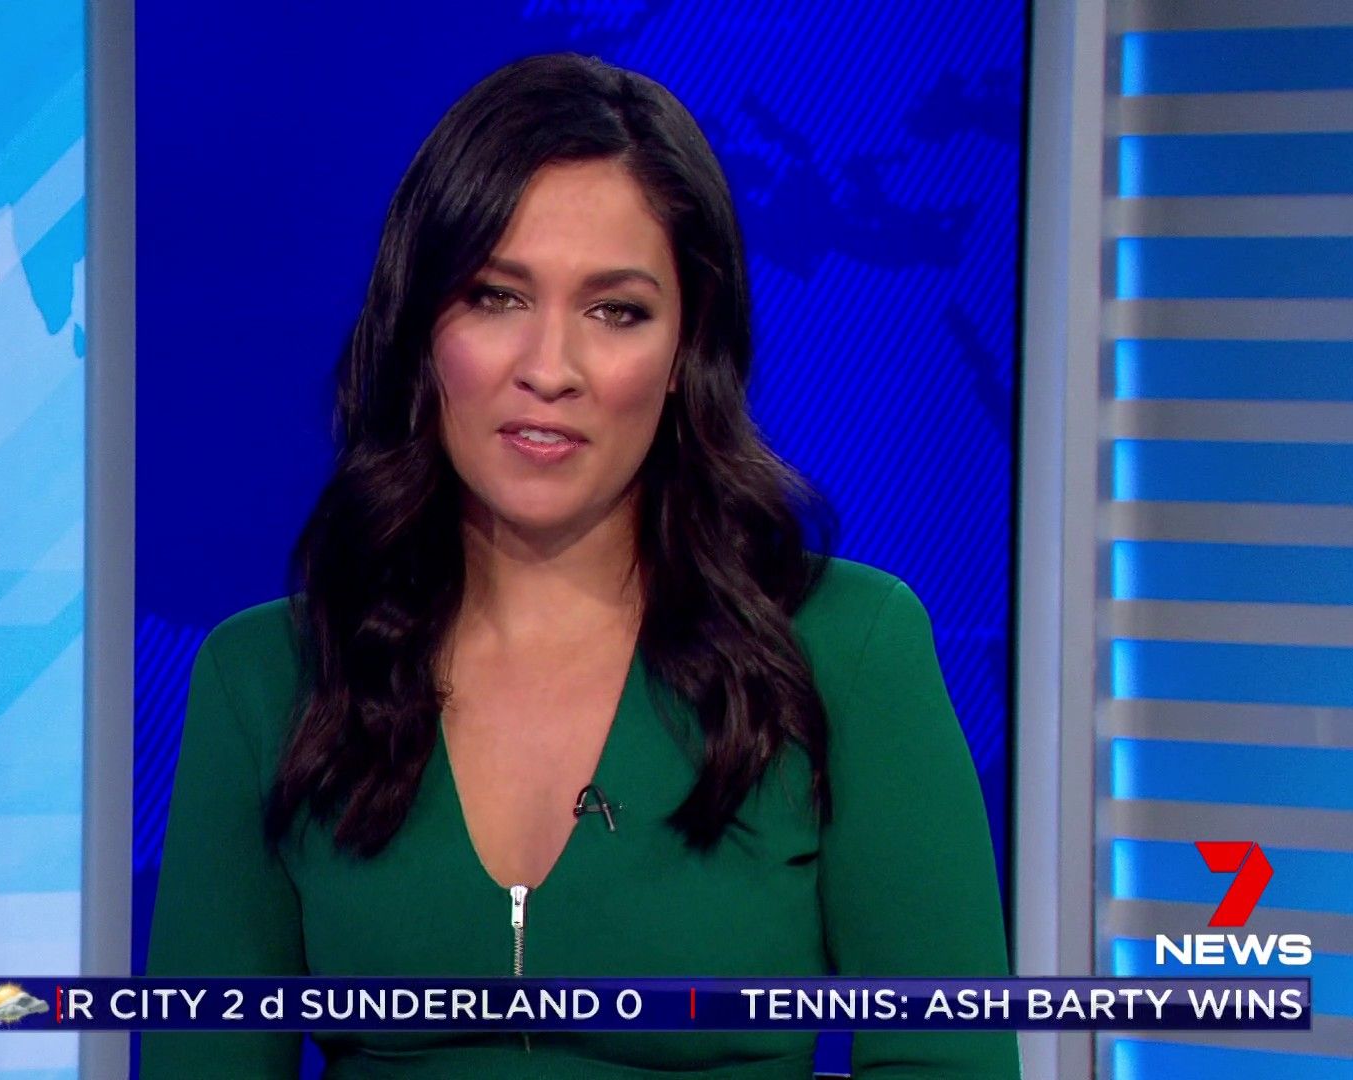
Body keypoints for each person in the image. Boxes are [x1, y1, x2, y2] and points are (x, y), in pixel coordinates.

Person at [143, 52, 1019, 1078]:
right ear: (422, 330)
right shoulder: (268, 680)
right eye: (495, 296)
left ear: (688, 350)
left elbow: (948, 1062)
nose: (549, 369)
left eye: (616, 311)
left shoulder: (845, 652)